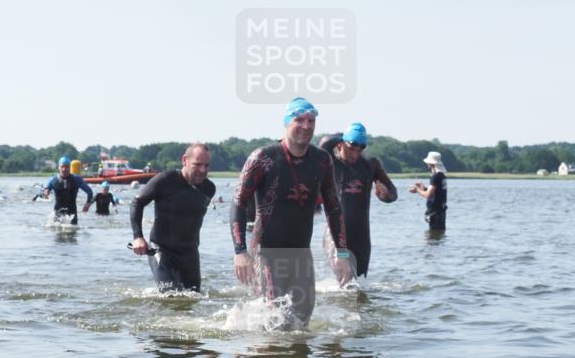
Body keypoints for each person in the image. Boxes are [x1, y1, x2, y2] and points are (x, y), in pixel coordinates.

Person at [231, 97, 351, 329]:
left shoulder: (322, 160)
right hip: (266, 252)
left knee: (301, 322)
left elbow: (334, 208)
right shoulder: (263, 158)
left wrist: (343, 255)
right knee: (274, 320)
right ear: (287, 122)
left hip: (301, 253)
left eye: (311, 121)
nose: (306, 126)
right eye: (299, 120)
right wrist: (240, 252)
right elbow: (238, 203)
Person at [130, 143, 216, 291]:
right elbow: (137, 202)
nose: (203, 170)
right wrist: (138, 237)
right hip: (162, 250)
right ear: (184, 160)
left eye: (207, 165)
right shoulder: (166, 179)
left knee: (193, 298)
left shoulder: (209, 188)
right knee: (171, 296)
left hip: (190, 253)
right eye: (197, 165)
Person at [319, 122, 397, 277]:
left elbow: (393, 193)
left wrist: (385, 195)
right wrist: (345, 135)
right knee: (345, 280)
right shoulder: (331, 162)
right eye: (351, 148)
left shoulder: (370, 165)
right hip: (337, 238)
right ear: (341, 144)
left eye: (360, 149)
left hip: (361, 239)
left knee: (360, 286)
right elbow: (324, 144)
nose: (355, 154)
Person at [41, 156, 93, 224]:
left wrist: (88, 203)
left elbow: (90, 192)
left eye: (66, 167)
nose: (64, 169)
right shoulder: (53, 180)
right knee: (56, 231)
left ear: (70, 167)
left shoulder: (76, 179)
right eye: (62, 167)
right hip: (58, 212)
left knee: (73, 232)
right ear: (59, 167)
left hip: (72, 213)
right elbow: (46, 189)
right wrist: (46, 193)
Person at [409, 151, 447, 231]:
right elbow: (436, 193)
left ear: (431, 164)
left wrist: (417, 189)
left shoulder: (435, 176)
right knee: (438, 237)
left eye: (428, 163)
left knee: (432, 239)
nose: (427, 165)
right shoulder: (441, 175)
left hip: (436, 213)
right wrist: (424, 188)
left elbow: (428, 195)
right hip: (440, 211)